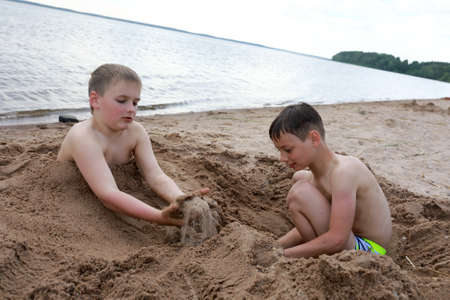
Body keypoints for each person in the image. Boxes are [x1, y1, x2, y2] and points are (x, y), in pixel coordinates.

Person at [57, 63, 207, 226]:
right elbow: (108, 194)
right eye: (122, 101)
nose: (131, 109)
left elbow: (156, 176)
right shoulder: (84, 138)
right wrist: (159, 216)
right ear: (95, 100)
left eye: (135, 103)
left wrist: (181, 200)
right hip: (76, 197)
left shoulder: (136, 132)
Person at [269, 102, 392, 258]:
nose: (282, 159)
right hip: (349, 240)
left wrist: (282, 255)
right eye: (279, 151)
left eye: (288, 150)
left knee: (300, 193)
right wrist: (275, 247)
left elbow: (337, 239)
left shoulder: (343, 172)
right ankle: (318, 256)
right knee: (300, 180)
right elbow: (314, 225)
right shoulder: (313, 178)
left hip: (372, 252)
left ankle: (317, 256)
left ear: (314, 138)